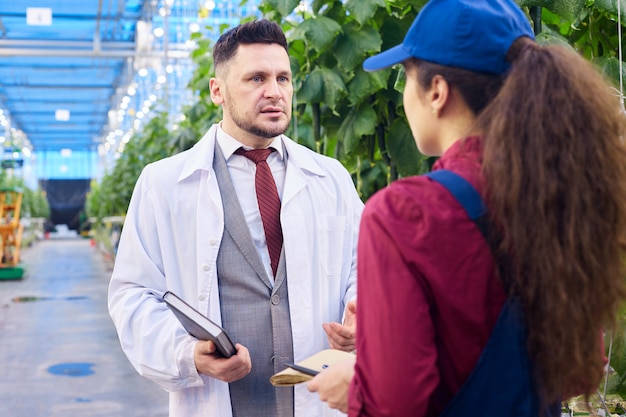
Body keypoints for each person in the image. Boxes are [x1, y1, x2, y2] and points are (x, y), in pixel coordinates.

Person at [307, 0, 626, 415]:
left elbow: (399, 403)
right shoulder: (558, 194)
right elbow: (579, 373)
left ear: (436, 91)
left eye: (406, 77)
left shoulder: (403, 213)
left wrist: (357, 385)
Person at [108, 19, 363, 417]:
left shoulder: (330, 177)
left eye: (283, 78)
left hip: (316, 395)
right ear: (217, 91)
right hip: (219, 398)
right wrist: (189, 354)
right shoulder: (164, 184)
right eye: (256, 79)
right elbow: (133, 294)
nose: (274, 92)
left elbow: (360, 264)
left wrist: (359, 310)